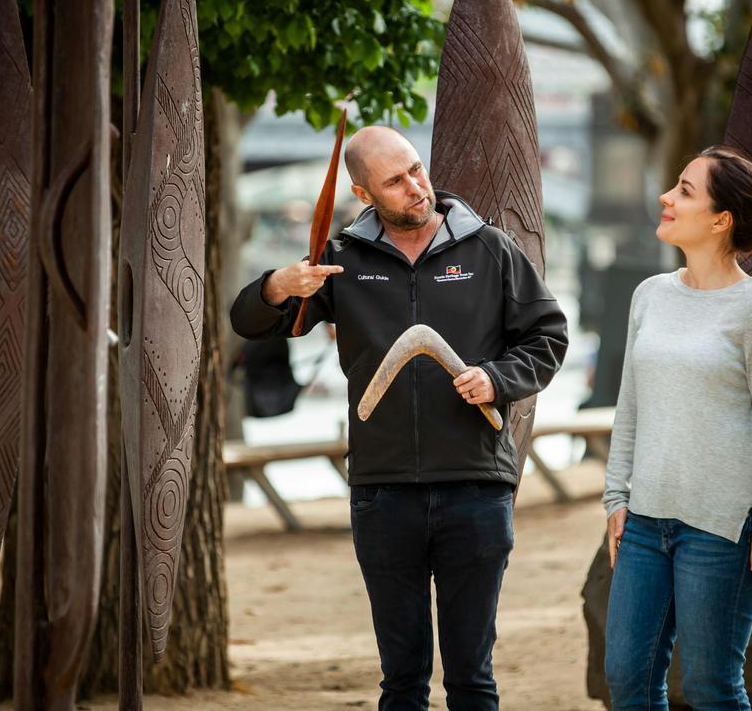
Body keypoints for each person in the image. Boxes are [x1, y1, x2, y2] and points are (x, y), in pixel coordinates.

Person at [230, 125, 568, 710]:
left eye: (416, 169)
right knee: (402, 681)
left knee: (472, 679)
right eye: (395, 181)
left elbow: (548, 336)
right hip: (382, 492)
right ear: (363, 194)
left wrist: (497, 379)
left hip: (475, 487)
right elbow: (249, 324)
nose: (416, 186)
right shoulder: (342, 260)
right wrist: (278, 286)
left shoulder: (489, 248)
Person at [603, 146, 752, 710]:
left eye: (684, 190)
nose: (666, 196)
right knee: (628, 680)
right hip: (644, 521)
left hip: (721, 529)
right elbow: (630, 404)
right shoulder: (649, 295)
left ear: (720, 220)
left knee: (711, 688)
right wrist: (616, 495)